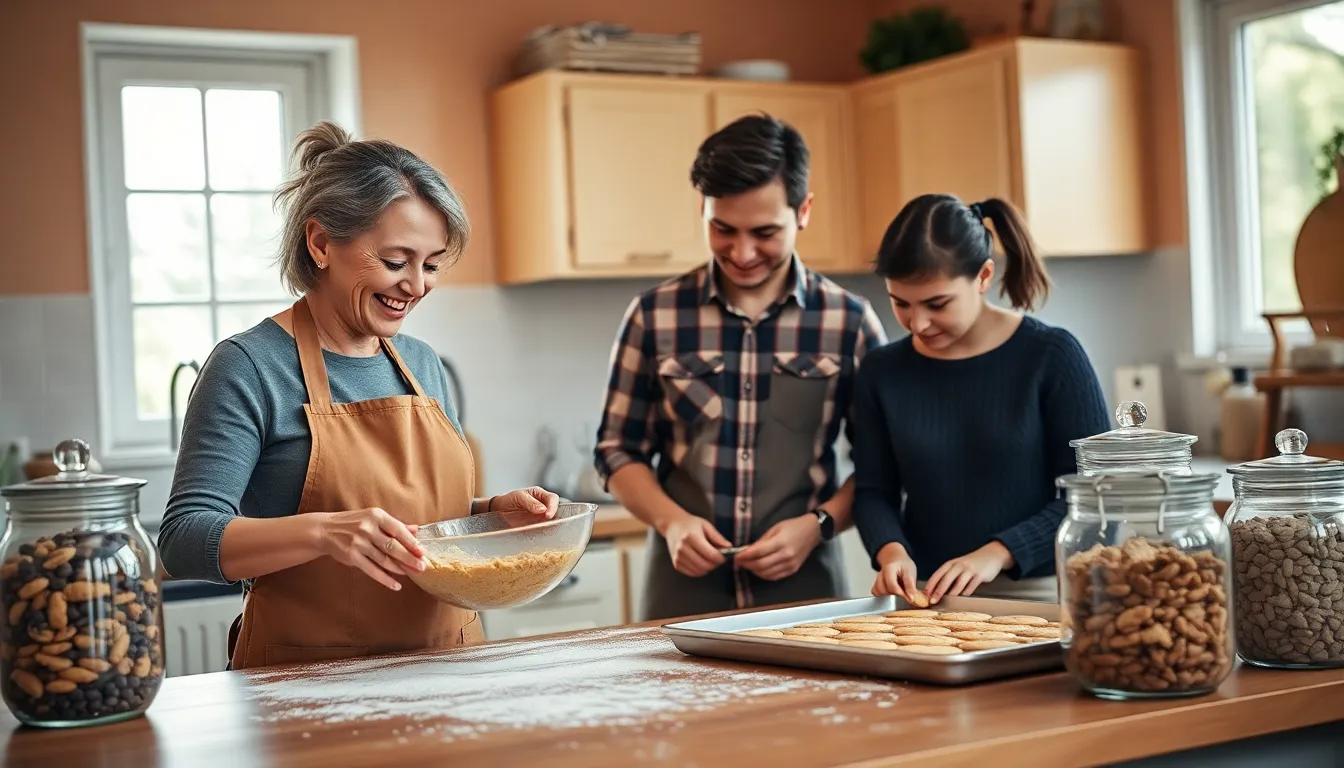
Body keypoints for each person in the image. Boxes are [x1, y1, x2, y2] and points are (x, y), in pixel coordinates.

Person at [158, 121, 560, 670]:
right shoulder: (249, 367)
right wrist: (325, 532)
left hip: (451, 669)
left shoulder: (422, 364)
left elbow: (420, 523)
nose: (416, 286)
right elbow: (183, 541)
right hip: (306, 683)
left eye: (432, 265)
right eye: (396, 262)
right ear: (321, 243)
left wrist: (491, 514)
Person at [593, 114, 888, 621]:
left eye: (765, 232)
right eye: (722, 229)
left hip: (810, 594)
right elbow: (617, 450)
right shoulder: (654, 315)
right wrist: (672, 522)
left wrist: (819, 525)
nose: (743, 252)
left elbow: (884, 465)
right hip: (680, 596)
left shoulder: (850, 322)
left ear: (804, 212)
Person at [851, 193, 1110, 605]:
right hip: (928, 595)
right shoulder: (882, 371)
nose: (917, 323)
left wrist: (996, 554)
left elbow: (1096, 493)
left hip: (1045, 593)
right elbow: (872, 491)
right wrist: (891, 551)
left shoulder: (1052, 356)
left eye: (937, 304)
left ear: (984, 276)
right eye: (900, 303)